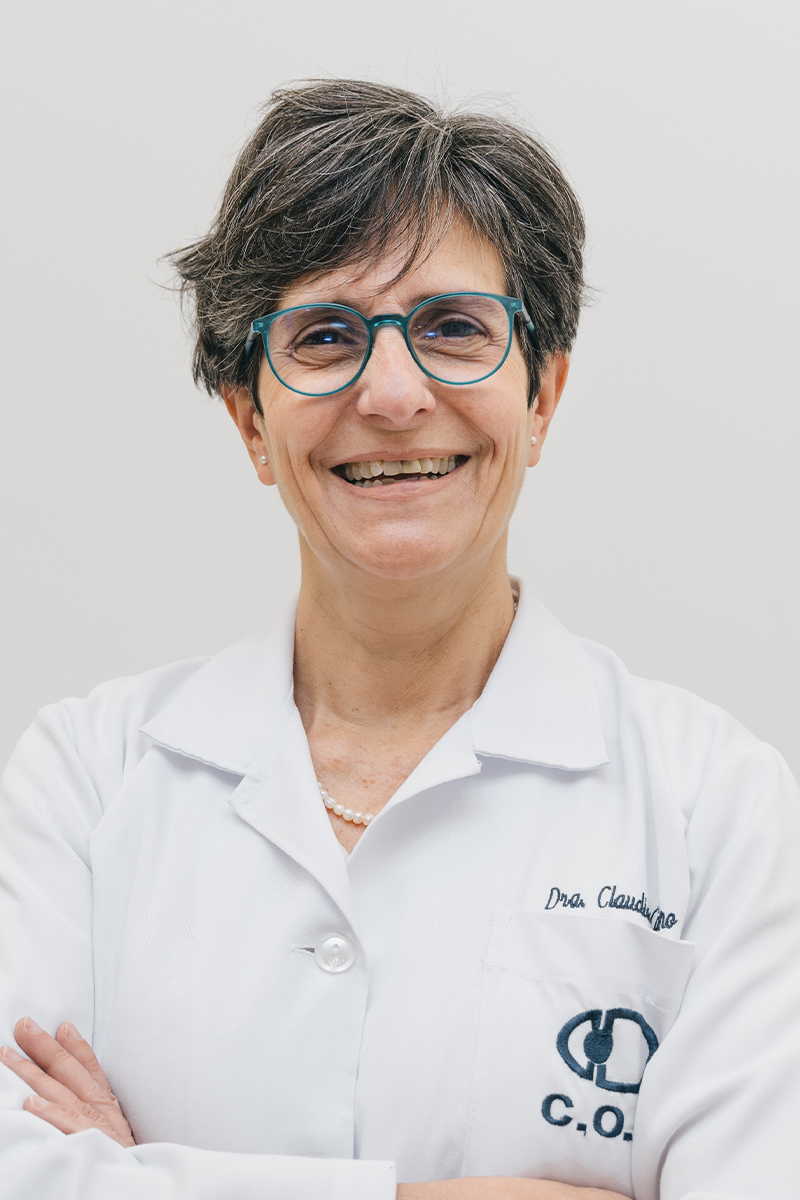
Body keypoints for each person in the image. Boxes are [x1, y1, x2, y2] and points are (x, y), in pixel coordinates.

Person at [0, 79, 798, 1200]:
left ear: (542, 396)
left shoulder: (714, 807)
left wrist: (145, 1181)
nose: (391, 392)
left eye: (453, 329)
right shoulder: (86, 782)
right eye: (325, 335)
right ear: (250, 420)